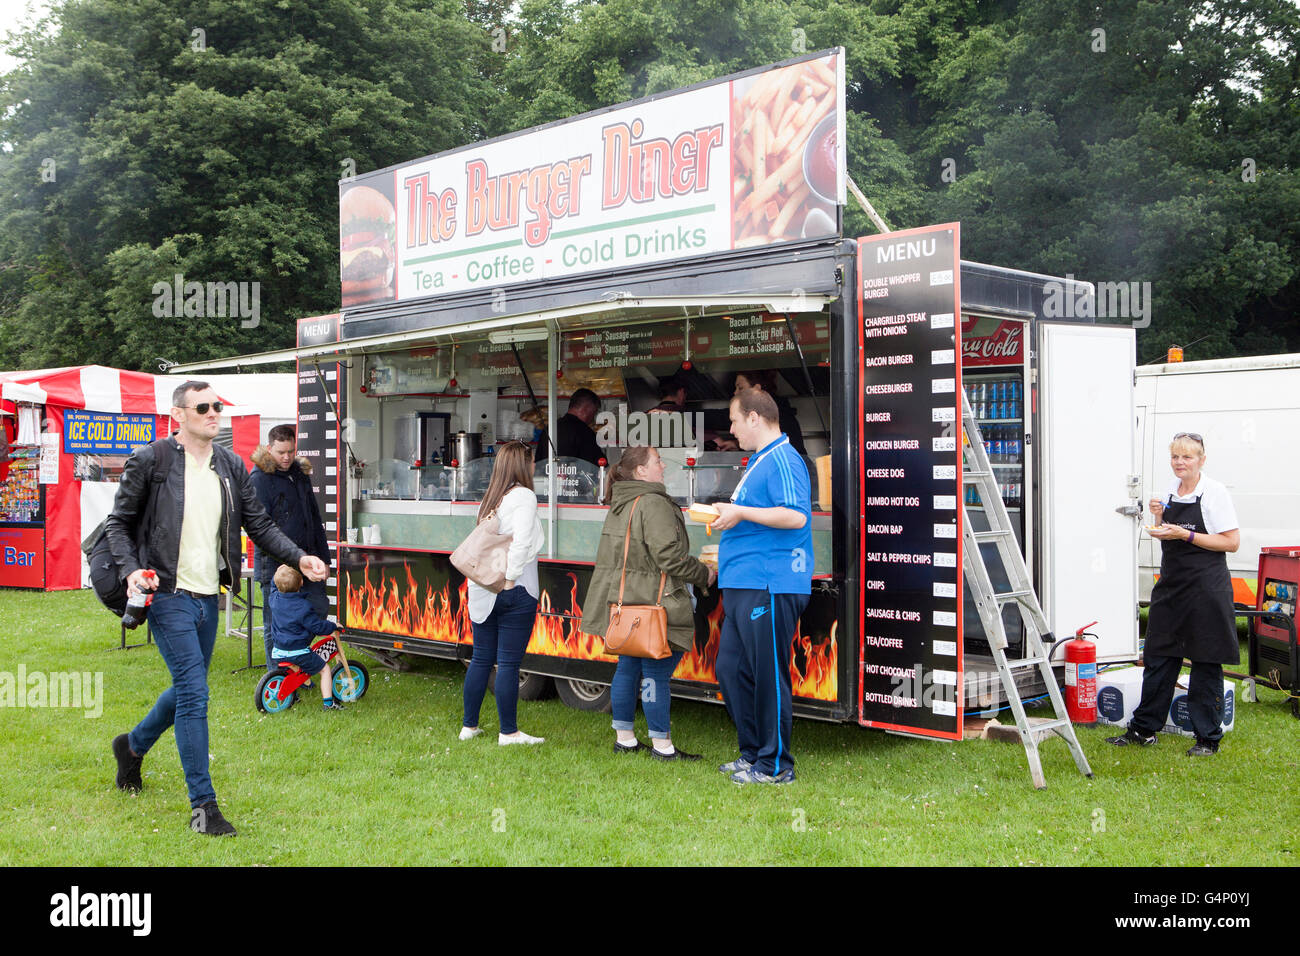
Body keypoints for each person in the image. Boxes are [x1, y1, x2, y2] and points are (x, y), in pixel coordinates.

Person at [106, 381, 329, 836]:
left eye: (217, 406)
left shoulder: (229, 465)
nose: (213, 413)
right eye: (203, 407)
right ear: (178, 415)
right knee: (194, 692)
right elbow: (119, 522)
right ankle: (203, 807)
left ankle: (132, 747)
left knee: (190, 686)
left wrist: (297, 556)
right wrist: (131, 570)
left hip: (210, 594)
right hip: (166, 593)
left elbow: (259, 524)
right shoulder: (153, 461)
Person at [1107, 432, 1240, 756]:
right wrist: (1158, 518)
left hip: (1206, 587)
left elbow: (1231, 542)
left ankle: (1207, 738)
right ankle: (1144, 729)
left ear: (1201, 460)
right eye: (1175, 457)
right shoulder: (1169, 488)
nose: (1180, 463)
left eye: (1187, 457)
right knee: (1159, 657)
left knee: (1205, 661)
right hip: (1172, 585)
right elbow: (1166, 535)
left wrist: (1188, 534)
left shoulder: (1215, 493)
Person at [581, 446, 716, 760]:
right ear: (641, 471)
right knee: (656, 672)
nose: (663, 467)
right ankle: (662, 746)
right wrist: (703, 574)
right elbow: (668, 556)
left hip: (625, 603)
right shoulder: (652, 502)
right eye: (657, 462)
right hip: (654, 601)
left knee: (627, 668)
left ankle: (625, 739)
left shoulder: (622, 500)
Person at [710, 388, 813, 784]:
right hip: (745, 583)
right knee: (731, 669)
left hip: (770, 583)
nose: (732, 429)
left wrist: (738, 511)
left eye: (735, 420)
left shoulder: (784, 459)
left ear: (755, 417)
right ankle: (752, 754)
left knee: (769, 674)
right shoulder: (760, 461)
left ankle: (775, 765)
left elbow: (795, 516)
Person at [460, 440, 547, 745]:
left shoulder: (492, 497)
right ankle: (508, 732)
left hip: (482, 589)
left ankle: (469, 727)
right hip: (514, 588)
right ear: (524, 465)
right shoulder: (524, 496)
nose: (535, 466)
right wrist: (510, 579)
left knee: (482, 658)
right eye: (532, 461)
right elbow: (522, 542)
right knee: (508, 663)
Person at [250, 424, 331, 673]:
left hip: (310, 560)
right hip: (277, 569)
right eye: (281, 452)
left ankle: (298, 665)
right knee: (275, 623)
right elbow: (259, 528)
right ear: (268, 448)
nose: (286, 457)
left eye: (291, 451)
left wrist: (324, 559)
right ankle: (278, 678)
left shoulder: (300, 474)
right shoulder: (258, 480)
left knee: (318, 608)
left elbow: (314, 519)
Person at [266, 564, 346, 710]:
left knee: (296, 669)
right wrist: (333, 626)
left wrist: (278, 571)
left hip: (278, 651)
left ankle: (295, 692)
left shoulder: (274, 599)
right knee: (325, 670)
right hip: (298, 652)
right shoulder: (303, 606)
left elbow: (273, 585)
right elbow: (317, 627)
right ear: (301, 583)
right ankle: (329, 703)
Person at [716, 370, 807, 457]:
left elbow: (717, 418)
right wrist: (737, 444)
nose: (735, 392)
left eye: (740, 388)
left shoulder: (783, 461)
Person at [534, 388, 602, 467]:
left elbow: (538, 462)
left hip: (545, 478)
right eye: (595, 411)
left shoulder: (550, 428)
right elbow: (597, 465)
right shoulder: (584, 432)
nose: (593, 417)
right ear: (586, 408)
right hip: (571, 478)